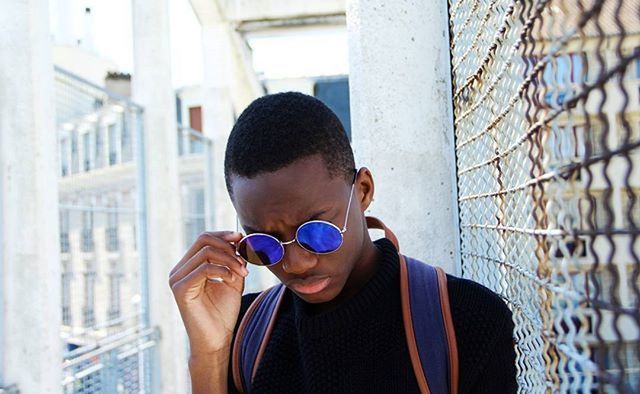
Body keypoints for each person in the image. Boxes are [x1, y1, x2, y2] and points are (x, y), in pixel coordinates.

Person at [169, 92, 517, 393]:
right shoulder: (242, 333)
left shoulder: (464, 320)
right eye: (266, 243)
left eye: (315, 231)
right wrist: (210, 356)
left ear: (363, 191)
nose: (295, 263)